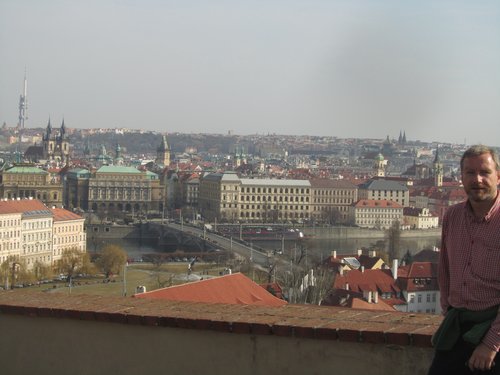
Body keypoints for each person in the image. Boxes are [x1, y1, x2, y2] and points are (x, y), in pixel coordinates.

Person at [428, 145, 500, 374]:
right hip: (457, 327)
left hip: (494, 331)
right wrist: (448, 309)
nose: (477, 179)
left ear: (498, 175)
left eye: (485, 172)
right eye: (469, 173)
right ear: (461, 177)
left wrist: (490, 344)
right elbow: (445, 270)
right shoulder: (452, 216)